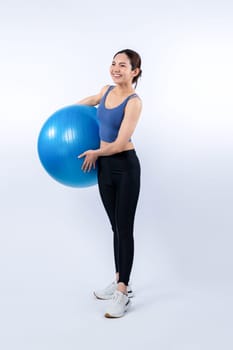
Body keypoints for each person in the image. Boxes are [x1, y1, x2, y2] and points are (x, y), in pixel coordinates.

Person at [77, 49, 142, 318]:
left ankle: (123, 292)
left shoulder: (134, 102)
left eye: (122, 65)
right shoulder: (105, 91)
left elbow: (117, 144)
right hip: (103, 168)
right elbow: (81, 106)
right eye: (113, 63)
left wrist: (95, 152)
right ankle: (118, 279)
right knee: (115, 226)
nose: (116, 68)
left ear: (134, 71)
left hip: (125, 167)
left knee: (124, 229)